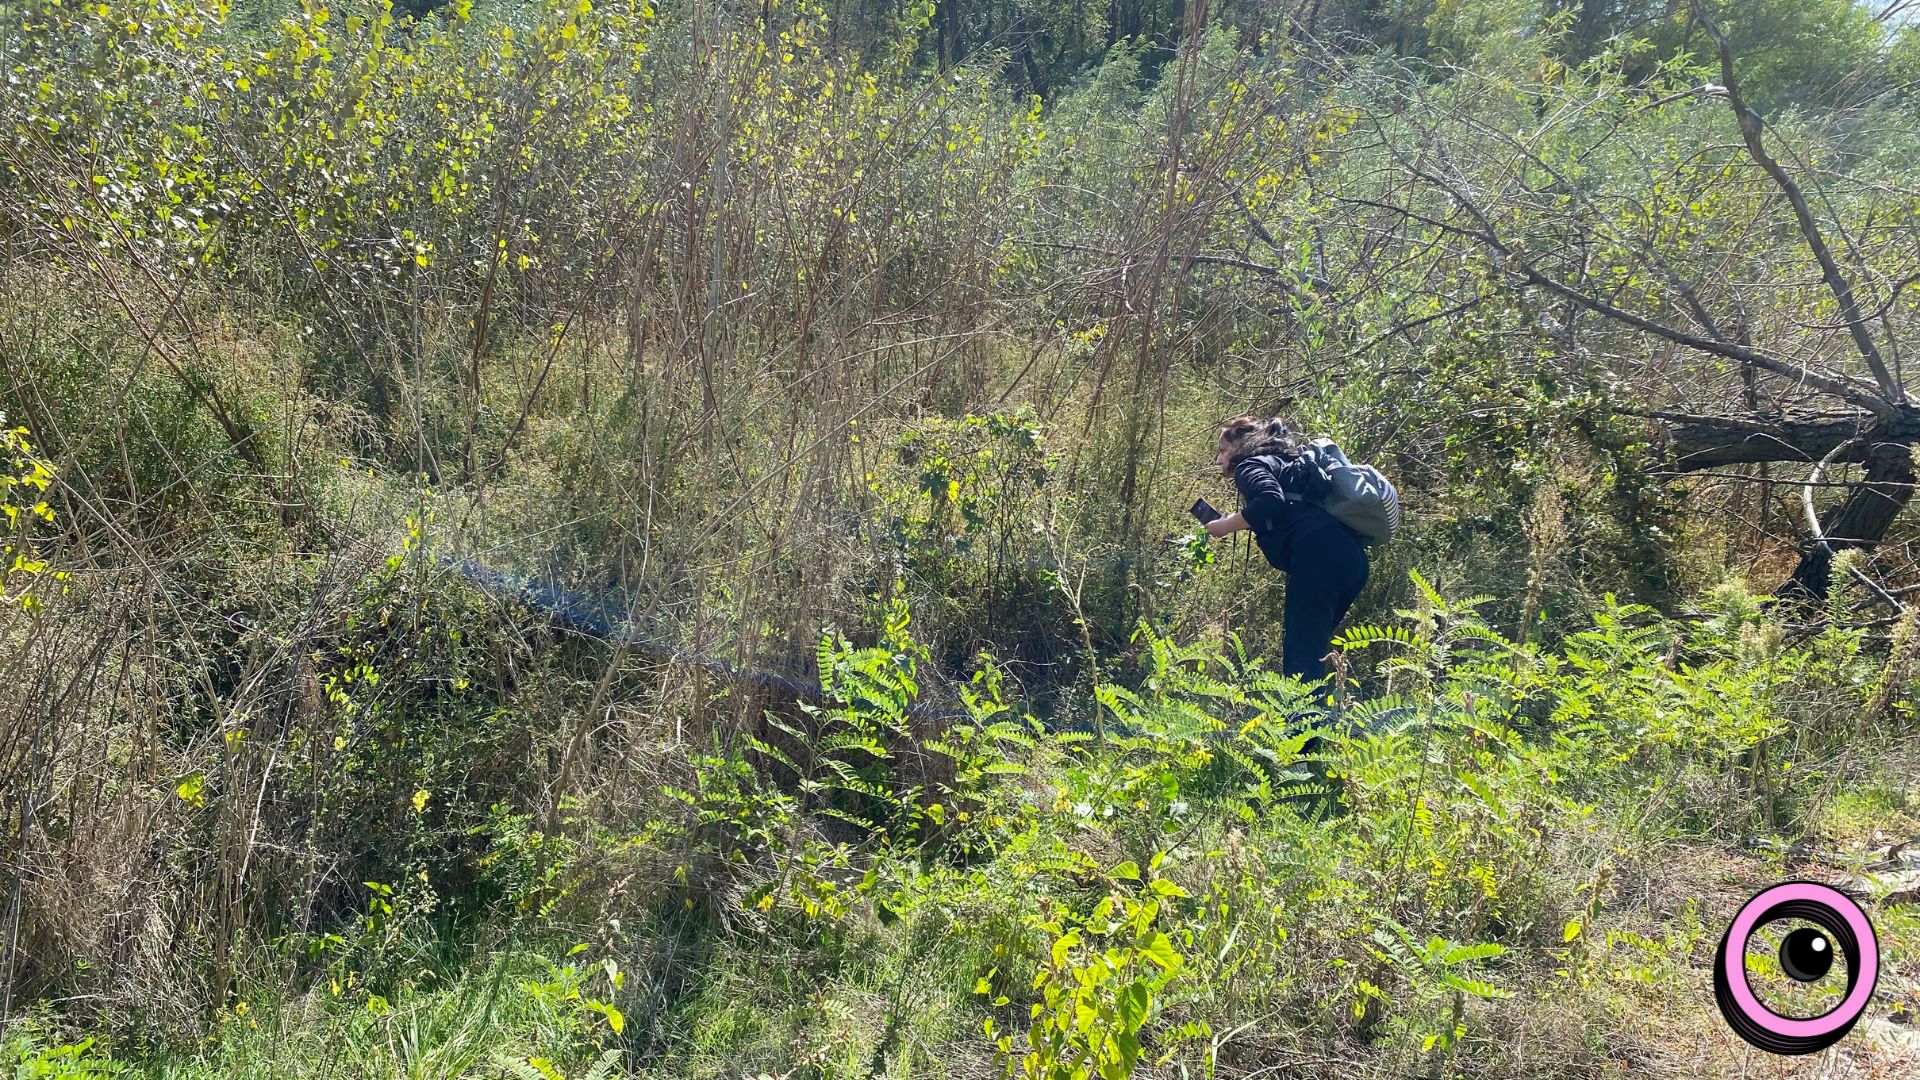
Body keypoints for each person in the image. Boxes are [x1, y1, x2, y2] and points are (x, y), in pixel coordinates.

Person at [1204, 414, 1369, 687]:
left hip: (1319, 558)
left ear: (1240, 446)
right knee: (1313, 653)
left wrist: (1226, 527)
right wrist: (1238, 520)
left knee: (1301, 657)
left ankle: (1302, 728)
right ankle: (1323, 721)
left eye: (1222, 451)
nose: (1219, 460)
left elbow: (1270, 501)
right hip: (1351, 559)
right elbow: (1285, 511)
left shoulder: (1249, 465)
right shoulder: (1287, 463)